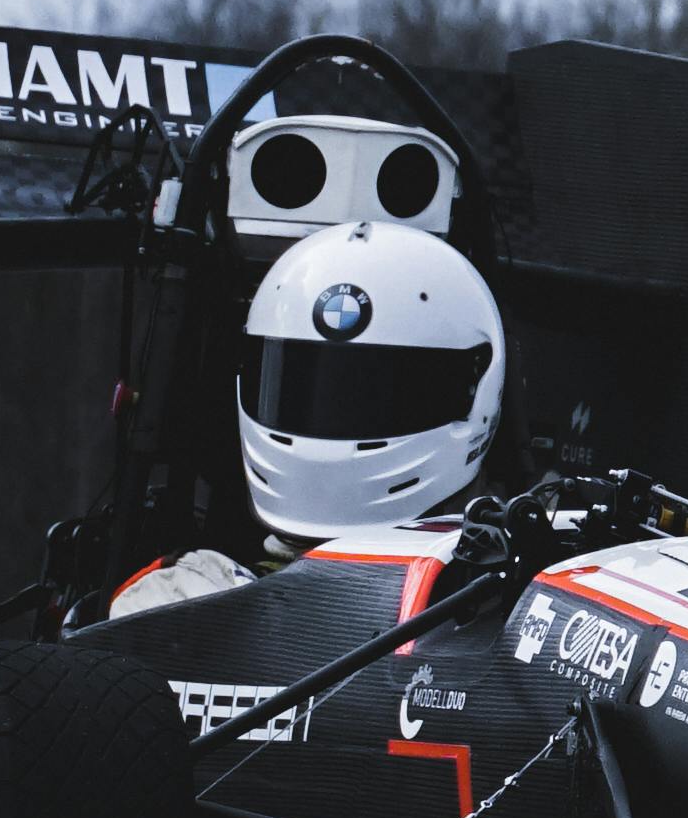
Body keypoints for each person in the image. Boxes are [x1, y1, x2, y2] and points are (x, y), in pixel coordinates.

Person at [110, 219, 507, 611]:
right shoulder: (176, 599)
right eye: (301, 388)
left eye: (369, 394)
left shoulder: (497, 600)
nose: (333, 421)